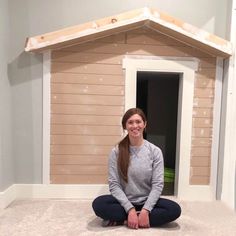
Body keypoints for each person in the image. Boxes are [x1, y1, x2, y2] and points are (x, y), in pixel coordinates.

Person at [92, 108, 181, 229]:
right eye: (130, 122)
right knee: (99, 204)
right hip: (124, 203)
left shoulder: (155, 151)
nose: (135, 126)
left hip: (147, 201)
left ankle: (124, 220)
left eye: (138, 122)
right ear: (125, 126)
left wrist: (146, 209)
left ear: (145, 124)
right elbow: (114, 185)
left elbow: (158, 185)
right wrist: (130, 209)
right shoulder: (116, 152)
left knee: (174, 209)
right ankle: (133, 217)